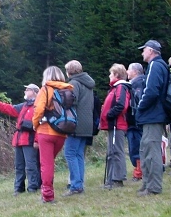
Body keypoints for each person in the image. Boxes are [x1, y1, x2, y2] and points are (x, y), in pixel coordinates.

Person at [0, 85, 40, 195]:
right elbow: (9, 108)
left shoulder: (39, 106)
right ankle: (18, 189)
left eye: (27, 89)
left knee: (31, 165)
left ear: (35, 92)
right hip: (19, 139)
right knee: (19, 166)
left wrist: (37, 141)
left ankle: (33, 187)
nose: (25, 91)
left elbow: (41, 125)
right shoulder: (24, 106)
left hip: (30, 140)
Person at [32, 66, 73, 203]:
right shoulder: (67, 89)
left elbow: (38, 109)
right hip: (62, 131)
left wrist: (35, 124)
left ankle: (48, 195)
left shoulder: (45, 89)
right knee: (50, 162)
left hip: (46, 131)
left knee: (46, 164)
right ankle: (47, 190)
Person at [134, 40, 169, 196]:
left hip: (153, 114)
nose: (142, 53)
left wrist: (140, 106)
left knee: (152, 150)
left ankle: (154, 187)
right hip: (154, 114)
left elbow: (151, 91)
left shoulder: (156, 66)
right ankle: (147, 183)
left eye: (144, 50)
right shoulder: (159, 65)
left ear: (150, 51)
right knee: (145, 148)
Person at [62, 60, 95, 196]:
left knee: (70, 153)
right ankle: (79, 184)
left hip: (76, 123)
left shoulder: (74, 83)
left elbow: (70, 102)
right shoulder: (88, 84)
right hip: (87, 123)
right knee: (79, 154)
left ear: (69, 71)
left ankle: (76, 185)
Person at [100, 63, 131, 189]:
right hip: (114, 124)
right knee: (112, 151)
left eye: (111, 73)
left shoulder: (121, 87)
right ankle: (112, 178)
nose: (109, 76)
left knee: (116, 151)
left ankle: (117, 179)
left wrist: (109, 115)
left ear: (116, 75)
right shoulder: (115, 88)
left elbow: (121, 105)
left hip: (117, 124)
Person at [127, 63, 146, 181]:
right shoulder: (146, 80)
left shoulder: (136, 83)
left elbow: (137, 102)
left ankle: (139, 173)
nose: (127, 72)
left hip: (135, 121)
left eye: (128, 69)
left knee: (136, 146)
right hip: (143, 120)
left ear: (135, 71)